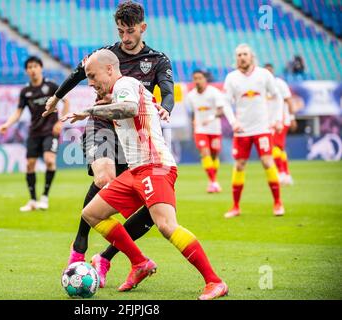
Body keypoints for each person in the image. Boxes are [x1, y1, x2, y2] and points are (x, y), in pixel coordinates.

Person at [62, 49, 228, 300]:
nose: (91, 82)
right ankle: (139, 263)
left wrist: (91, 112)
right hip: (136, 170)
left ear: (109, 69)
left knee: (166, 225)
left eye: (92, 76)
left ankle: (215, 281)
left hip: (155, 166)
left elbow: (128, 108)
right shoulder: (122, 89)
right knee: (92, 213)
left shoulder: (125, 84)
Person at [43, 1, 173, 288]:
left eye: (130, 31)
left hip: (136, 136)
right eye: (120, 31)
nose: (125, 38)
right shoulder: (106, 53)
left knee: (151, 209)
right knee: (104, 179)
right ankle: (78, 248)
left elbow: (168, 90)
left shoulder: (158, 60)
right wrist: (55, 97)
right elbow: (79, 72)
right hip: (103, 121)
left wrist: (166, 107)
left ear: (142, 28)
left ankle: (106, 258)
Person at [0, 56, 69, 211]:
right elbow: (18, 112)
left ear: (41, 68)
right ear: (27, 71)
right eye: (29, 67)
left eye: (35, 66)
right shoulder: (26, 91)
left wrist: (60, 122)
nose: (33, 69)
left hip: (50, 131)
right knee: (30, 165)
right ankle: (32, 201)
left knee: (49, 160)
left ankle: (44, 197)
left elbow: (67, 102)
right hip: (34, 132)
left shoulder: (51, 86)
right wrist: (7, 124)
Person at [223, 44, 285, 218]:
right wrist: (233, 122)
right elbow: (226, 102)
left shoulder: (264, 75)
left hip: (262, 128)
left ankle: (278, 203)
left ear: (251, 56)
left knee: (267, 161)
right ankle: (235, 206)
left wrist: (277, 119)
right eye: (239, 55)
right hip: (242, 130)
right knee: (240, 165)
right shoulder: (232, 78)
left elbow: (277, 96)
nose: (242, 57)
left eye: (245, 54)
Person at [185, 70, 229, 193]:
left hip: (214, 129)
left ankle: (212, 181)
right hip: (200, 130)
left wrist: (210, 118)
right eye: (195, 78)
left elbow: (221, 110)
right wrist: (193, 121)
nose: (197, 81)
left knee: (214, 155)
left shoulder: (214, 93)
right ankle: (214, 182)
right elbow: (193, 111)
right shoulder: (191, 96)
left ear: (205, 79)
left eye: (200, 78)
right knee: (205, 153)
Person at [264, 63, 296, 185]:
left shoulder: (280, 84)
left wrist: (292, 118)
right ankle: (286, 174)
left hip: (281, 120)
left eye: (270, 70)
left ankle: (281, 172)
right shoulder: (262, 85)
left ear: (273, 71)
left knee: (274, 147)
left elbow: (289, 100)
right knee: (280, 149)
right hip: (269, 121)